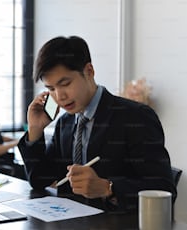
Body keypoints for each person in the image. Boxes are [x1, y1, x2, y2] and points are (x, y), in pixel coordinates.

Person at [18, 36, 176, 212]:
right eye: (51, 89)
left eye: (66, 83)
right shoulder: (66, 122)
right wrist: (35, 129)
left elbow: (164, 189)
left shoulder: (135, 117)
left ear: (89, 71)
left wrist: (107, 188)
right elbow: (39, 180)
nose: (59, 96)